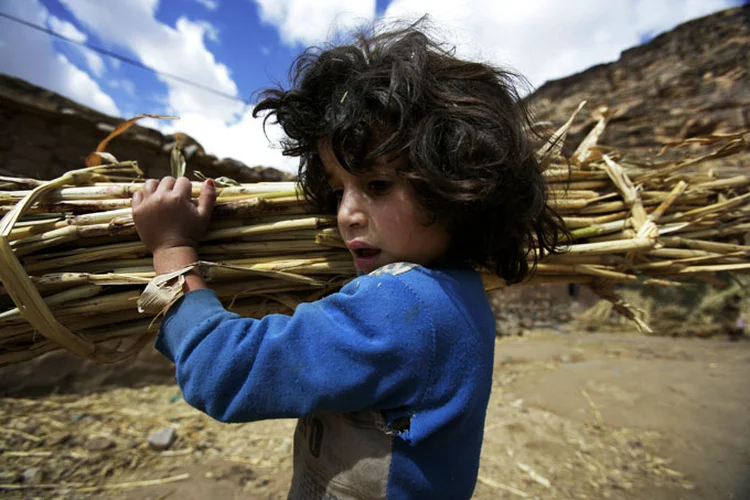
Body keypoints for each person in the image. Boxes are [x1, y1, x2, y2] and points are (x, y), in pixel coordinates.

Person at [131, 20, 566, 499]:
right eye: (339, 190)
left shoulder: (405, 307)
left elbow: (224, 374)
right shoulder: (457, 293)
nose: (347, 215)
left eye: (377, 185)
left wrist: (172, 251)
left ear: (459, 184)